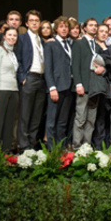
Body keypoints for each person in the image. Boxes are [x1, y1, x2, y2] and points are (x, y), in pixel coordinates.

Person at [71, 18, 105, 148]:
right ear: (84, 28)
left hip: (95, 87)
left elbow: (103, 63)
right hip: (83, 86)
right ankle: (76, 146)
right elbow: (75, 65)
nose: (94, 28)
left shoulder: (97, 46)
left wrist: (103, 69)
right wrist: (78, 83)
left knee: (91, 119)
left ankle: (86, 145)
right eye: (91, 25)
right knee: (80, 118)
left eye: (95, 25)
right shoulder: (78, 43)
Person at [15, 10, 46, 152]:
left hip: (41, 79)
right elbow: (18, 59)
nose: (34, 22)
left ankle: (32, 143)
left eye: (37, 20)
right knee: (25, 114)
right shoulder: (22, 38)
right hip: (29, 78)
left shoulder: (42, 40)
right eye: (32, 20)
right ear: (27, 23)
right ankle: (23, 145)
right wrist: (22, 77)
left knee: (36, 115)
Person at [0, 27, 19, 152]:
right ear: (4, 36)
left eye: (14, 35)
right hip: (1, 90)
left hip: (14, 91)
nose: (12, 37)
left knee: (9, 124)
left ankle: (6, 153)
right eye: (9, 35)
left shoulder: (12, 53)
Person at [44, 16, 74, 149]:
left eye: (66, 27)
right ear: (56, 29)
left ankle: (60, 147)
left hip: (68, 87)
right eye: (61, 27)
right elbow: (48, 68)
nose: (64, 29)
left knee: (63, 121)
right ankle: (51, 149)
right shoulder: (50, 44)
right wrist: (52, 87)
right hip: (56, 87)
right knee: (52, 120)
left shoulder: (69, 44)